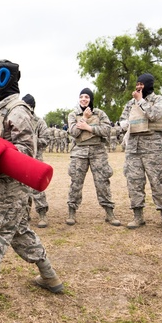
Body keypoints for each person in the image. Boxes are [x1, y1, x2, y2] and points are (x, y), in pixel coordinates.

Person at [0, 60, 64, 314]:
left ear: (2, 80)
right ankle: (50, 276)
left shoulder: (18, 111)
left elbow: (27, 152)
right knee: (18, 231)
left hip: (12, 184)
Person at [117, 74, 162, 231]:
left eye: (142, 84)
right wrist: (122, 124)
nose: (139, 87)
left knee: (159, 182)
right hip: (134, 148)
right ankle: (138, 216)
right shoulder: (130, 103)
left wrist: (141, 101)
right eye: (137, 84)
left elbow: (154, 115)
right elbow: (123, 119)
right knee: (134, 182)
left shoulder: (159, 100)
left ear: (149, 85)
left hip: (154, 148)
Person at [66, 88, 122, 226]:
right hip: (79, 152)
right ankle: (72, 212)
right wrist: (84, 118)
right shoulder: (73, 115)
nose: (83, 99)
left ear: (91, 99)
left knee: (102, 182)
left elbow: (107, 130)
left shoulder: (100, 114)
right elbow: (73, 132)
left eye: (86, 97)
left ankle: (109, 213)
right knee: (76, 183)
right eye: (81, 97)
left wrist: (88, 128)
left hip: (98, 152)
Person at [22, 94, 52, 228]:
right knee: (22, 189)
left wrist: (33, 141)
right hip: (22, 160)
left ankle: (42, 214)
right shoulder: (19, 120)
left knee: (37, 188)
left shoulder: (39, 122)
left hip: (36, 159)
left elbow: (46, 140)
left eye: (27, 106)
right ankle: (24, 215)